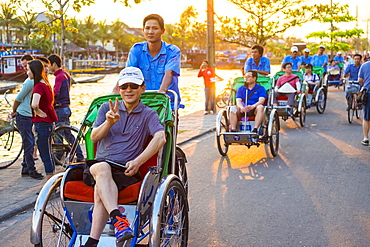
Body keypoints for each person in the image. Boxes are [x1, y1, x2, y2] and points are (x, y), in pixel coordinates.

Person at [80, 67, 166, 247]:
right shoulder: (106, 108)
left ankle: (92, 242)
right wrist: (109, 122)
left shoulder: (148, 114)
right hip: (99, 165)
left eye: (133, 86)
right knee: (102, 168)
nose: (128, 90)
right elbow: (94, 137)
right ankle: (118, 219)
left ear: (142, 88)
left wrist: (138, 161)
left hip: (125, 171)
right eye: (124, 86)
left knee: (100, 190)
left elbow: (160, 137)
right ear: (119, 88)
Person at [114, 14, 181, 108]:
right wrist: (114, 92)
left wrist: (161, 93)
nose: (150, 32)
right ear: (143, 30)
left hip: (166, 102)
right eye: (147, 28)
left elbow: (169, 73)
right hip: (142, 102)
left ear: (162, 31)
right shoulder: (137, 49)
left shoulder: (172, 51)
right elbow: (128, 73)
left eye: (155, 28)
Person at [10, 55, 44, 180]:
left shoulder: (36, 82)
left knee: (28, 142)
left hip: (28, 116)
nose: (26, 71)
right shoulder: (30, 82)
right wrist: (13, 111)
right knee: (29, 143)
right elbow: (18, 98)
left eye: (28, 69)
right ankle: (31, 169)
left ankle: (25, 167)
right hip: (23, 115)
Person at [48, 54, 84, 162]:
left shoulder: (59, 76)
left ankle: (58, 157)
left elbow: (56, 92)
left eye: (49, 65)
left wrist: (50, 102)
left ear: (54, 64)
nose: (49, 67)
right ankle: (79, 155)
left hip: (60, 108)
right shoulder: (66, 74)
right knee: (68, 134)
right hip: (66, 107)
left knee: (58, 133)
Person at [29, 60, 58, 180]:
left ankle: (49, 184)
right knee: (49, 153)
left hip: (43, 123)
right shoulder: (46, 84)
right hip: (48, 122)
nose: (27, 73)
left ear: (34, 71)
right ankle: (52, 181)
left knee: (45, 154)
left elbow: (34, 103)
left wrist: (37, 112)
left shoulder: (38, 86)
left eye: (28, 70)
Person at [229, 70, 266, 134]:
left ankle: (255, 129)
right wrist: (241, 107)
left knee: (260, 107)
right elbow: (238, 101)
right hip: (242, 108)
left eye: (249, 77)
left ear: (254, 78)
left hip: (254, 108)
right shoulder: (241, 88)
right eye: (245, 77)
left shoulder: (261, 88)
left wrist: (253, 106)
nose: (246, 78)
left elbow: (261, 101)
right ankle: (233, 129)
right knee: (232, 108)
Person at [358, 61, 370, 147]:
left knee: (366, 117)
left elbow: (360, 80)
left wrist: (365, 85)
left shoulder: (364, 65)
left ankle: (366, 138)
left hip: (367, 93)